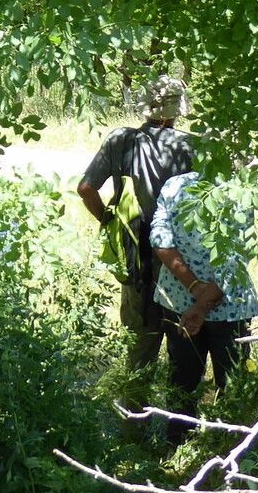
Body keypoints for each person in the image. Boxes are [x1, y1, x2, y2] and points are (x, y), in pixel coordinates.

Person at [77, 75, 194, 369]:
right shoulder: (191, 147)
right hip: (180, 261)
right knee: (183, 346)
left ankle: (134, 397)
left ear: (145, 107)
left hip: (135, 257)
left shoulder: (120, 140)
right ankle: (179, 397)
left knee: (139, 347)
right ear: (176, 111)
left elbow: (86, 189)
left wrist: (108, 220)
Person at [150, 170, 258, 446]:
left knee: (182, 380)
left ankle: (177, 447)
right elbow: (238, 253)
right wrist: (202, 301)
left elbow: (160, 241)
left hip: (178, 302)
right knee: (232, 382)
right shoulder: (238, 189)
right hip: (230, 307)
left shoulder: (174, 185)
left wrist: (195, 292)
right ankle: (231, 449)